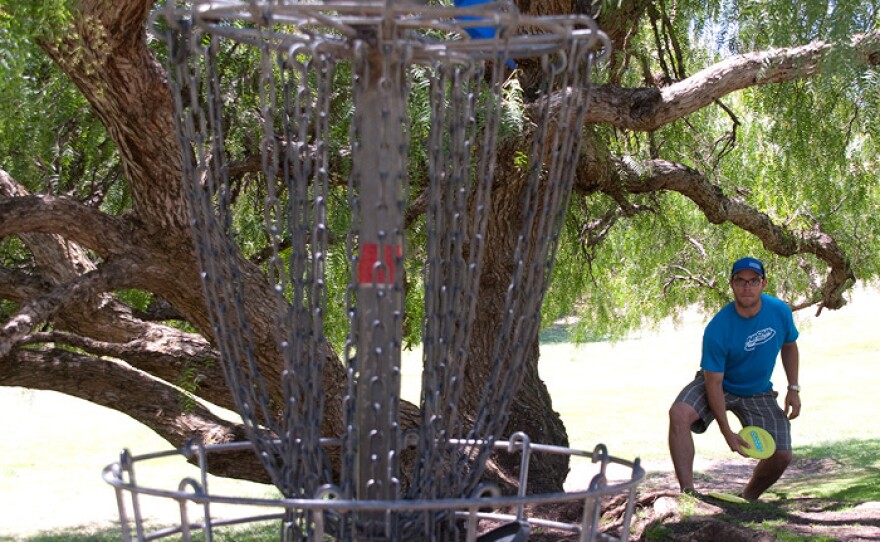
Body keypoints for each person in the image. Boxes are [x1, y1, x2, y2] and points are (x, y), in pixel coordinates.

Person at [668, 257, 801, 500]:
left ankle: (747, 499)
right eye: (740, 281)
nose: (747, 287)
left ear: (763, 283)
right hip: (720, 384)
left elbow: (790, 345)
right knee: (679, 413)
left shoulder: (779, 311)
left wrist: (793, 388)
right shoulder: (718, 328)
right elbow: (713, 383)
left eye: (753, 281)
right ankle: (688, 494)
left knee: (782, 455)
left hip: (758, 390)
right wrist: (726, 431)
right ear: (731, 284)